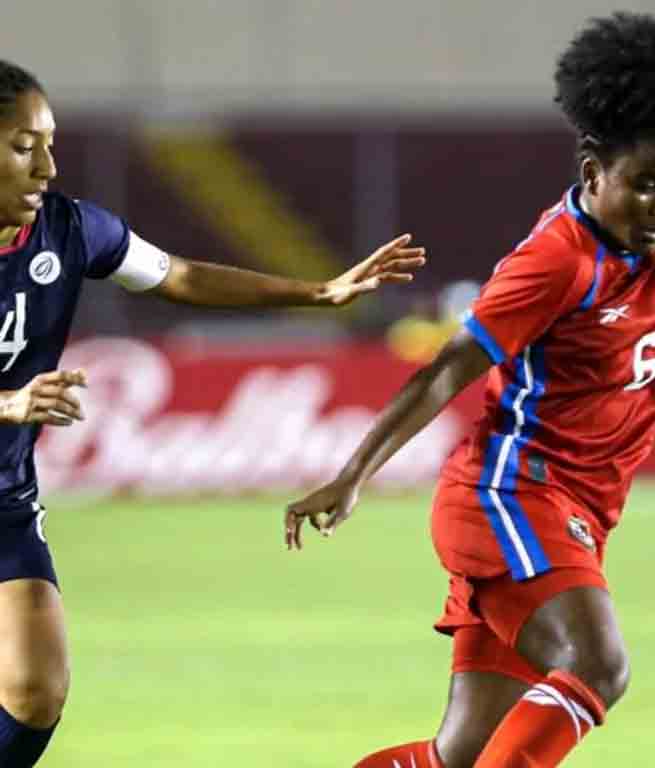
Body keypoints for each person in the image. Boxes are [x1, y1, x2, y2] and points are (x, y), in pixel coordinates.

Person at [285, 12, 655, 768]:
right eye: (646, 185)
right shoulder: (556, 261)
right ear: (592, 173)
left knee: (460, 755)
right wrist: (351, 474)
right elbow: (448, 367)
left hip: (571, 510)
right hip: (513, 498)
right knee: (599, 666)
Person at [0, 59, 425, 768]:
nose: (46, 164)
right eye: (22, 146)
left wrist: (317, 293)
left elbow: (181, 275)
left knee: (36, 691)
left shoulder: (72, 231)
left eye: (50, 142)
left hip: (5, 501)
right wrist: (9, 401)